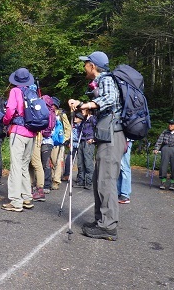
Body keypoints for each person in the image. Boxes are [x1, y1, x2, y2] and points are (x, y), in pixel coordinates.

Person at [69, 51, 125, 241]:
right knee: (100, 178)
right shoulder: (100, 82)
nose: (84, 66)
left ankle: (108, 227)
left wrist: (87, 104)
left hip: (112, 136)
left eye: (86, 63)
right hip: (106, 135)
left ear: (93, 66)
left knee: (106, 180)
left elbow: (109, 99)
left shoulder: (106, 79)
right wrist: (84, 106)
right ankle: (101, 220)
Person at [1, 68, 37, 212]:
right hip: (31, 133)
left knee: (16, 165)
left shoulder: (15, 91)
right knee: (24, 165)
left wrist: (5, 121)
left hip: (18, 132)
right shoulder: (32, 92)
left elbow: (10, 111)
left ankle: (16, 201)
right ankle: (27, 197)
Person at [31, 94, 56, 201]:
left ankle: (39, 187)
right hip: (46, 139)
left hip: (39, 137)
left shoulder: (41, 109)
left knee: (37, 163)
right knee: (41, 163)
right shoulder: (52, 112)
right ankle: (42, 187)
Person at [153, 119, 174, 190]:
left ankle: (172, 183)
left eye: (172, 124)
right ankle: (163, 182)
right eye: (169, 124)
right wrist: (156, 148)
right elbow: (159, 141)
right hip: (166, 148)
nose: (170, 125)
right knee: (163, 166)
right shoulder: (165, 132)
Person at [49, 97, 71, 191]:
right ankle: (52, 177)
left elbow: (68, 127)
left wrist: (65, 139)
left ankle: (56, 181)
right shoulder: (49, 113)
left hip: (59, 141)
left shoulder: (61, 114)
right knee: (51, 161)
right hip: (50, 140)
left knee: (58, 161)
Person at [75, 108, 96, 190]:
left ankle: (89, 182)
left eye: (84, 110)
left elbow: (97, 128)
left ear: (89, 110)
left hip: (89, 142)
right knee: (80, 162)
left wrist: (94, 138)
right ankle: (81, 180)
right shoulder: (84, 120)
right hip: (82, 141)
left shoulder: (93, 119)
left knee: (88, 162)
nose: (82, 111)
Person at [117, 140, 133, 204]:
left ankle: (125, 194)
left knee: (124, 168)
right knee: (119, 168)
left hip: (125, 141)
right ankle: (120, 193)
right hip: (121, 140)